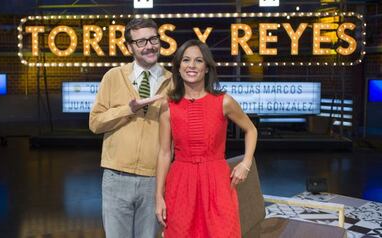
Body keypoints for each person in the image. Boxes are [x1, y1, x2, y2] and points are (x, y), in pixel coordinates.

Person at [155, 39, 258, 238]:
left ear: (207, 68)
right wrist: (158, 196)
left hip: (217, 182)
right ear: (178, 67)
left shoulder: (224, 101)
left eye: (198, 61)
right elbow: (164, 153)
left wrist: (246, 163)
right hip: (181, 183)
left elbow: (251, 130)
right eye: (185, 60)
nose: (191, 66)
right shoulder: (168, 106)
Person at [89, 18, 172, 238]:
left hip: (155, 180)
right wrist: (128, 109)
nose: (149, 46)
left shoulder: (173, 82)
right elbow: (95, 123)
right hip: (116, 178)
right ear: (129, 47)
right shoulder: (113, 77)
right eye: (141, 41)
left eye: (153, 39)